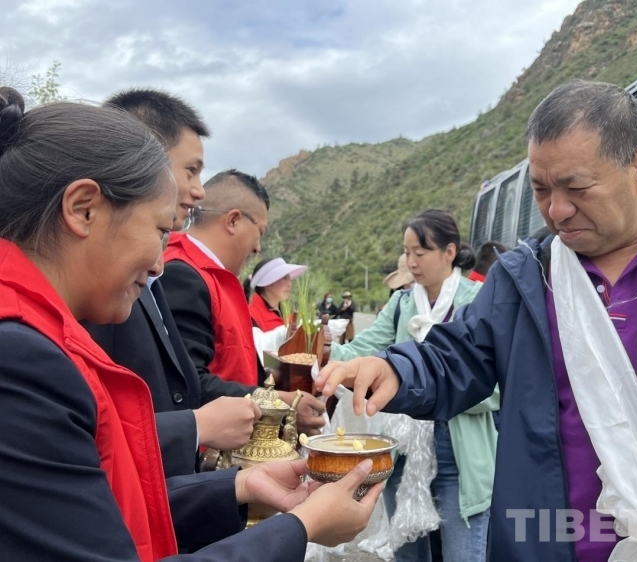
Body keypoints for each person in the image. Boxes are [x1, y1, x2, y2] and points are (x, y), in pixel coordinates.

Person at [318, 81, 637, 561]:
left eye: (577, 188)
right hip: (547, 539)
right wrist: (397, 370)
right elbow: (458, 355)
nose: (556, 211)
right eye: (541, 190)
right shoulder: (525, 276)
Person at [0, 87, 380, 561]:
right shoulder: (20, 358)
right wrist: (302, 527)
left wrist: (241, 486)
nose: (161, 263)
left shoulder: (42, 334)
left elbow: (107, 504)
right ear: (84, 209)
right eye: (160, 231)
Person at [82, 89, 261, 478]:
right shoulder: (97, 286)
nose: (200, 190)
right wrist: (196, 427)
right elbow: (92, 432)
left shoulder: (149, 277)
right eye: (191, 170)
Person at [328, 209, 498, 562]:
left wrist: (438, 390)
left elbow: (495, 384)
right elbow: (362, 350)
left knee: (463, 555)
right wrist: (326, 352)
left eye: (420, 252)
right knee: (408, 555)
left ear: (449, 252)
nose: (411, 262)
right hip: (403, 449)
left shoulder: (478, 299)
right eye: (407, 253)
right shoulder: (401, 303)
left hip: (459, 454)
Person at [160, 169, 325, 433]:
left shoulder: (216, 278)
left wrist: (276, 374)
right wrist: (280, 405)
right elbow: (187, 383)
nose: (258, 247)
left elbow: (234, 357)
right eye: (260, 232)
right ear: (233, 220)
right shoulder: (183, 276)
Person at [248, 256, 307, 331]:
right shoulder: (251, 317)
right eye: (284, 278)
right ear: (268, 283)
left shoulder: (287, 316)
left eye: (289, 279)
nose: (290, 284)